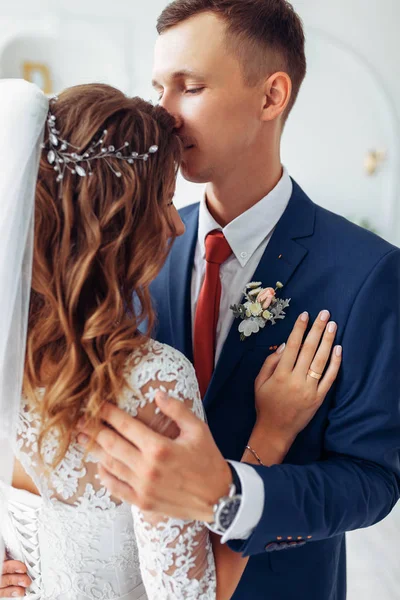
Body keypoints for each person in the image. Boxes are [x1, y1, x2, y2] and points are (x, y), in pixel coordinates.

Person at [78, 1, 400, 599]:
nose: (162, 114)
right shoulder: (132, 249)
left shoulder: (368, 273)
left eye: (190, 87)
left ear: (271, 97)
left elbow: (373, 482)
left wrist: (230, 495)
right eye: (157, 87)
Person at [0, 78, 340, 599]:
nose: (177, 225)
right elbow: (198, 596)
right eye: (160, 202)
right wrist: (272, 431)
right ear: (110, 227)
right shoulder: (151, 380)